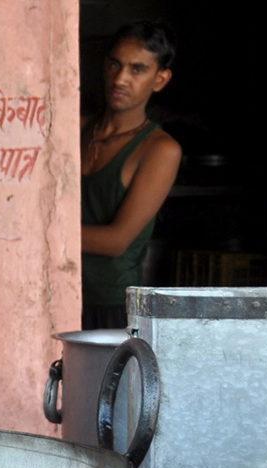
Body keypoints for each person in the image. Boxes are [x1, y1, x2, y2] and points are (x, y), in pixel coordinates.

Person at [81, 21, 182, 329]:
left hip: (111, 305)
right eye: (115, 64)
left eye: (137, 69)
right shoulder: (75, 127)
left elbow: (117, 241)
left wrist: (38, 235)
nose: (121, 78)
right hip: (59, 290)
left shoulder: (160, 149)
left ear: (160, 79)